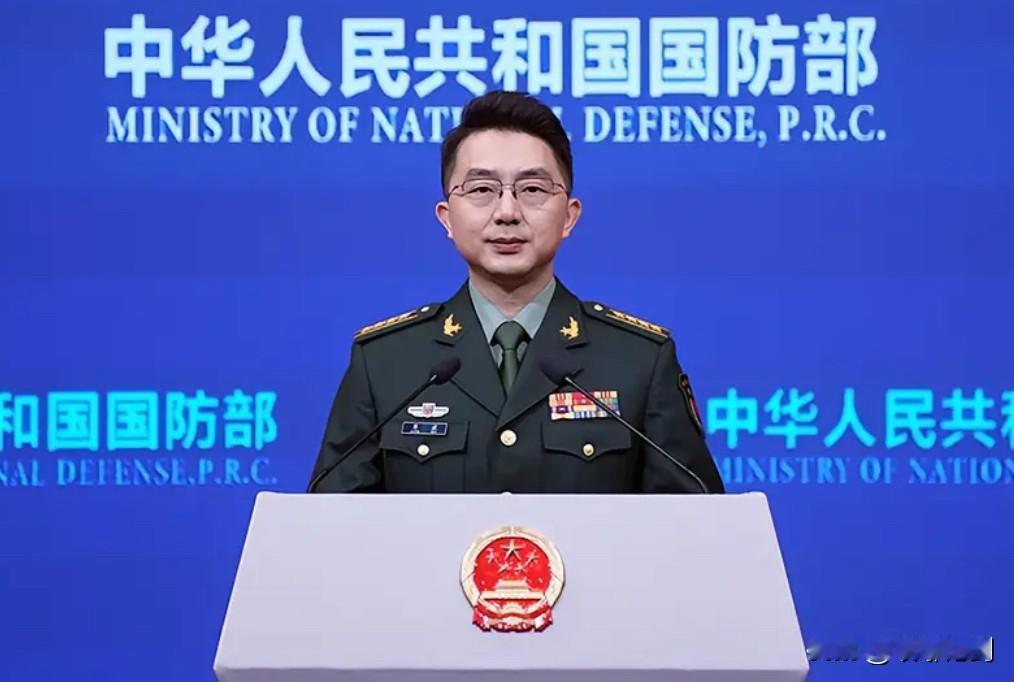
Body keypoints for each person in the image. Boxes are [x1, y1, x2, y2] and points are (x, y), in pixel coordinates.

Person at [308, 90, 724, 494]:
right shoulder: (385, 362)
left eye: (532, 190)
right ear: (446, 217)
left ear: (570, 216)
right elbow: (328, 525)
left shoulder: (639, 360)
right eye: (481, 190)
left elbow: (697, 526)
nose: (507, 212)